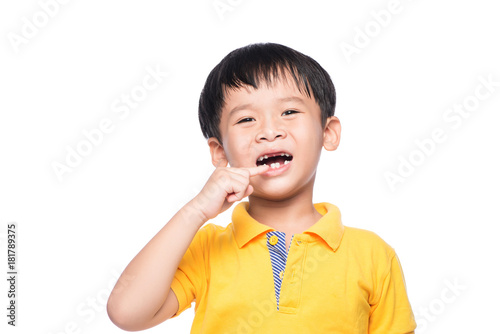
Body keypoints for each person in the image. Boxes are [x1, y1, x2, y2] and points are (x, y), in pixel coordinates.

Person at [106, 43, 417, 333]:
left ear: (328, 132)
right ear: (219, 152)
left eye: (289, 112)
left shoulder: (373, 254)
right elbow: (127, 313)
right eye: (246, 119)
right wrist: (196, 210)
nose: (269, 131)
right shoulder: (207, 249)